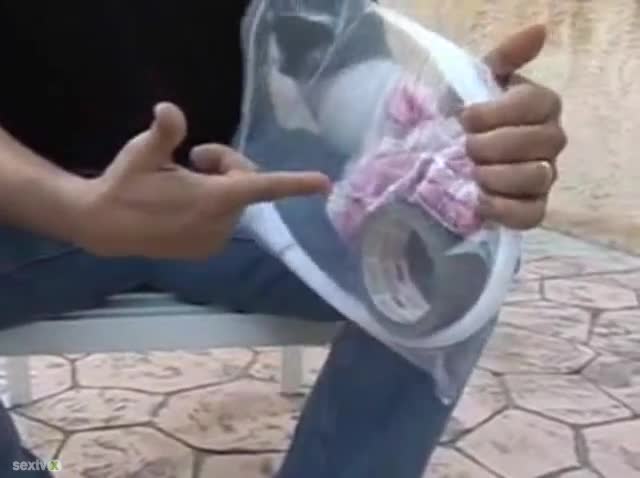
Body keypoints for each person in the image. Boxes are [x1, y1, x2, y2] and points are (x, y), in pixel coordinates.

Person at [0, 2, 566, 477]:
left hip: (234, 194)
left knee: (457, 246)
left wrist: (439, 127)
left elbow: (337, 59)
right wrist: (70, 206)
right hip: (31, 209)